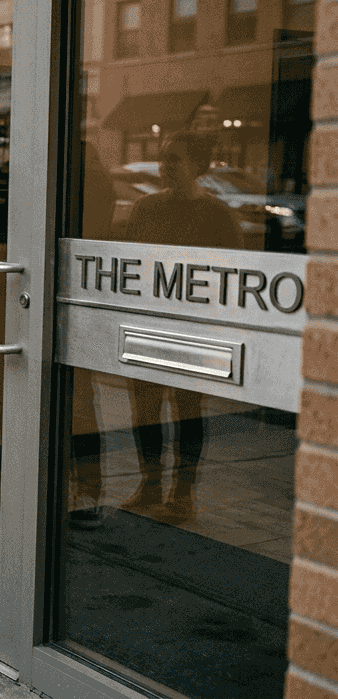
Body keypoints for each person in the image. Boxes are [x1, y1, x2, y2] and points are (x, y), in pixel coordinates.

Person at [119, 130, 242, 524]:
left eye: (174, 158)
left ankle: (183, 493)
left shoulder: (218, 214)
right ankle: (150, 484)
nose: (165, 165)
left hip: (194, 328)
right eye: (163, 157)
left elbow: (233, 276)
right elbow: (130, 265)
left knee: (188, 409)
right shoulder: (145, 208)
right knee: (145, 409)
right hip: (149, 324)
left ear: (197, 165)